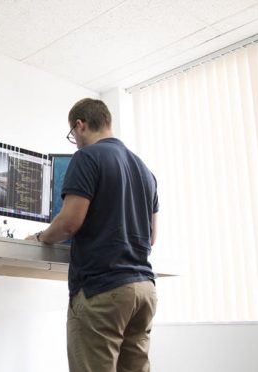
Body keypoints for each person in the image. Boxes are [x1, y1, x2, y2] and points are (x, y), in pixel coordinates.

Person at [26, 98, 159, 372]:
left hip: (104, 290)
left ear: (80, 125)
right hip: (143, 291)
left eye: (72, 135)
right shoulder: (145, 170)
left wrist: (40, 237)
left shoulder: (87, 157)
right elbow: (151, 236)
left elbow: (69, 223)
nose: (74, 141)